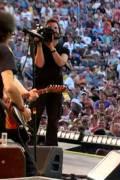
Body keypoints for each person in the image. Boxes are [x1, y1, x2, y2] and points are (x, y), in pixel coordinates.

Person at [0, 11, 38, 176]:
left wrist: (25, 92)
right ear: (8, 32)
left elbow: (11, 80)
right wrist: (23, 109)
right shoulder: (3, 50)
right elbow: (9, 86)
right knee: (28, 169)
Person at [30, 18, 69, 146]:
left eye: (55, 28)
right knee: (35, 116)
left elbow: (61, 62)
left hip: (56, 87)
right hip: (40, 86)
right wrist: (40, 44)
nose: (53, 30)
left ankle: (51, 145)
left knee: (53, 118)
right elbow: (39, 64)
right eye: (50, 28)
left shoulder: (63, 48)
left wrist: (51, 46)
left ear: (59, 31)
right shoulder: (37, 45)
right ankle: (30, 143)